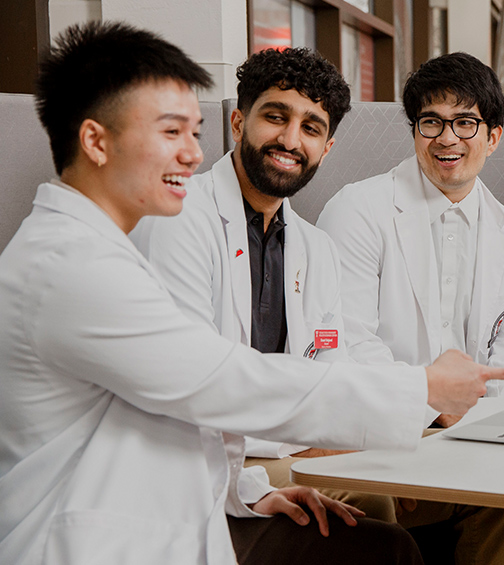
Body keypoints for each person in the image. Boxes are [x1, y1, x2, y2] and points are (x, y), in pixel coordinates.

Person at [0, 21, 504, 565]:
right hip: (86, 537)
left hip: (172, 500)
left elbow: (166, 417)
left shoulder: (97, 248)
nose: (193, 156)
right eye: (169, 133)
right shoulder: (75, 269)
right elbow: (218, 381)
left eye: (193, 134)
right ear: (96, 141)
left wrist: (245, 491)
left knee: (381, 545)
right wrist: (421, 389)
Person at [131, 46, 397, 524]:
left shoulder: (316, 248)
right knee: (377, 522)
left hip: (281, 449)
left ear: (327, 148)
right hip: (197, 460)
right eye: (276, 117)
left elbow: (328, 376)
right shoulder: (179, 216)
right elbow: (187, 388)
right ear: (237, 123)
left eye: (311, 128)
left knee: (385, 495)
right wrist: (303, 452)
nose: (291, 140)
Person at [316, 52, 504, 564]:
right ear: (414, 131)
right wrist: (432, 411)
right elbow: (346, 343)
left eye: (465, 122)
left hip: (474, 434)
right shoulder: (357, 210)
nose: (447, 138)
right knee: (375, 509)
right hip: (380, 436)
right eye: (431, 122)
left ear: (494, 136)